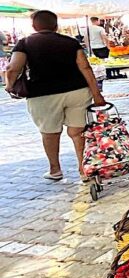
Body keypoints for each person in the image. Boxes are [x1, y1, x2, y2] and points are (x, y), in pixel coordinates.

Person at [4, 10, 106, 182]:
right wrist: (97, 95)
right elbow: (85, 67)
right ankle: (83, 169)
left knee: (50, 132)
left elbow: (12, 68)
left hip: (43, 95)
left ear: (34, 26)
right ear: (56, 25)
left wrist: (9, 86)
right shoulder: (70, 42)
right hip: (77, 91)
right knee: (78, 131)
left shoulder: (25, 43)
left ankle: (55, 170)